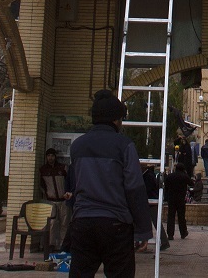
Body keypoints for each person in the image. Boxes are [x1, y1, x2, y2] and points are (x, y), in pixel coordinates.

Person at [67, 90, 152, 278]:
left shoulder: (77, 146)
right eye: (121, 119)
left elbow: (75, 186)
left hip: (83, 224)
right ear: (115, 120)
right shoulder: (124, 145)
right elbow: (135, 189)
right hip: (116, 225)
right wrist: (142, 230)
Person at [38, 148, 70, 252]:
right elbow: (42, 185)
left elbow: (69, 181)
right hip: (51, 201)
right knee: (51, 223)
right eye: (48, 156)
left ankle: (62, 245)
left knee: (64, 224)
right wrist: (46, 195)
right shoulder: (43, 170)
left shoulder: (62, 168)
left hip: (63, 200)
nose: (50, 158)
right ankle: (50, 244)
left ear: (55, 156)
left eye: (52, 155)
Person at [141, 162, 170, 251]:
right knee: (152, 222)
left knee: (155, 222)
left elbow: (148, 189)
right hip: (150, 201)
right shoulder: (149, 175)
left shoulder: (148, 176)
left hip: (151, 202)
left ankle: (164, 241)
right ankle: (144, 243)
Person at [164, 163, 192, 240]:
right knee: (181, 216)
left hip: (171, 199)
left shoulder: (170, 176)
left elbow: (166, 186)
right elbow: (191, 183)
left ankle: (170, 234)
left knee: (171, 217)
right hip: (181, 199)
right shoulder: (184, 176)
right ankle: (183, 232)